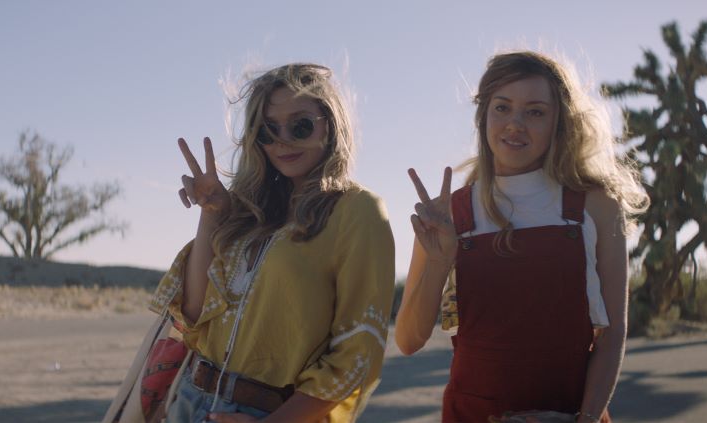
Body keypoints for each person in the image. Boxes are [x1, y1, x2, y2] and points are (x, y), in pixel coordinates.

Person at [394, 51, 648, 423]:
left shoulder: (595, 206)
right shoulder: (447, 214)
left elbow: (612, 336)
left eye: (535, 112)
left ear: (559, 123)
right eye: (502, 108)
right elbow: (408, 340)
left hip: (571, 415)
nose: (515, 124)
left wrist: (586, 418)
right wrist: (438, 261)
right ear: (483, 116)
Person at [150, 63, 395, 423]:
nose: (283, 141)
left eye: (300, 126)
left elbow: (358, 350)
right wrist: (212, 214)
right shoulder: (249, 209)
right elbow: (194, 312)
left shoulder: (356, 212)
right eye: (268, 130)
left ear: (330, 124)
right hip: (189, 402)